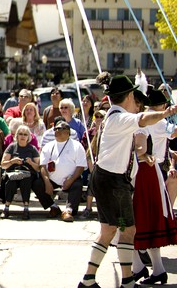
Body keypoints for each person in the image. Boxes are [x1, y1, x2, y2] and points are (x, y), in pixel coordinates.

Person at [78, 74, 177, 288]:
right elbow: (142, 120)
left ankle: (89, 280)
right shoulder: (120, 118)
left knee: (109, 232)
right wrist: (166, 113)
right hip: (113, 184)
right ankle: (127, 281)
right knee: (127, 230)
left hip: (106, 180)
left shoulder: (113, 116)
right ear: (130, 95)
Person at [129, 86, 177, 285]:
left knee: (135, 220)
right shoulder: (158, 121)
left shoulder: (150, 120)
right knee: (138, 220)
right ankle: (144, 267)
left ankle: (142, 267)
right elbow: (173, 134)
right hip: (148, 170)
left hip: (145, 171)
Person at [36, 121, 87, 222]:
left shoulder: (77, 146)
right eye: (56, 129)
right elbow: (42, 166)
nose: (57, 131)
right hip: (52, 179)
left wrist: (70, 180)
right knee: (37, 183)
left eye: (60, 129)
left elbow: (80, 167)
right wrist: (47, 182)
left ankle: (68, 211)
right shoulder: (48, 146)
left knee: (77, 184)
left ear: (68, 132)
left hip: (70, 178)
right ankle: (53, 207)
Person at [0, 125, 40, 220]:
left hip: (27, 173)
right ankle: (6, 208)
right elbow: (3, 165)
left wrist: (31, 162)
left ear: (28, 137)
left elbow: (38, 168)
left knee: (26, 181)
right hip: (13, 172)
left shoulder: (32, 149)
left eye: (25, 134)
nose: (23, 136)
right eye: (20, 134)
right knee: (11, 182)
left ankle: (26, 209)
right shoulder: (12, 147)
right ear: (16, 136)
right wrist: (12, 161)